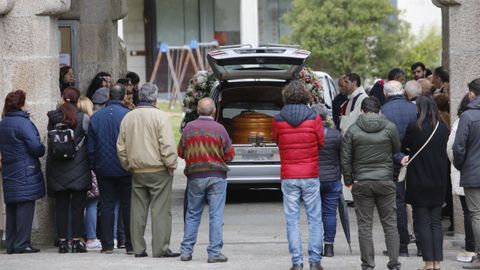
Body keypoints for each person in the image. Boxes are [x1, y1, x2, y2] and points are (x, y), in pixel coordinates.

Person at [116, 83, 179, 258]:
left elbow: (120, 146)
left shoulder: (128, 117)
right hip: (159, 169)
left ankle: (138, 248)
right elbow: (167, 145)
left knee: (137, 210)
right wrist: (171, 164)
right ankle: (160, 248)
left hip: (137, 170)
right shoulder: (160, 116)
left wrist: (128, 164)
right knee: (160, 210)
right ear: (155, 98)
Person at [341, 96, 401, 270]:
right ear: (379, 110)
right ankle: (394, 262)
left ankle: (368, 263)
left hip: (361, 181)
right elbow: (396, 149)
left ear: (362, 110)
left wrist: (349, 181)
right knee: (390, 223)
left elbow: (345, 159)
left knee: (364, 225)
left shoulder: (353, 130)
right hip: (385, 180)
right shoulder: (390, 127)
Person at [272, 81, 325, 270]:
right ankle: (315, 261)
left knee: (292, 220)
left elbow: (276, 140)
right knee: (315, 219)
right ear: (305, 96)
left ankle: (297, 262)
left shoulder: (278, 119)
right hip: (310, 173)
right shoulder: (315, 118)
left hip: (289, 174)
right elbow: (320, 142)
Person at [178, 97, 234, 263]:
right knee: (216, 215)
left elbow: (181, 152)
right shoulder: (220, 129)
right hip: (217, 177)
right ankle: (214, 252)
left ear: (197, 111)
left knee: (193, 214)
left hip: (195, 177)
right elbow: (229, 155)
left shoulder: (189, 128)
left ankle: (186, 251)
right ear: (214, 111)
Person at [403, 95, 449, 270]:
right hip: (439, 180)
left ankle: (428, 262)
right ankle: (437, 263)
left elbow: (405, 146)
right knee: (436, 222)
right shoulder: (443, 128)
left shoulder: (415, 127)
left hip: (419, 180)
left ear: (419, 108)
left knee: (422, 221)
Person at [88, 84, 133, 254]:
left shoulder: (96, 117)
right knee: (127, 205)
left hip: (103, 167)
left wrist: (94, 165)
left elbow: (91, 147)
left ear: (109, 96)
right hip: (125, 167)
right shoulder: (128, 116)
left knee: (106, 205)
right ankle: (130, 244)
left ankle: (107, 244)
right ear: (123, 97)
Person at [46, 87, 91, 253]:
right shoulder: (83, 118)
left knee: (61, 206)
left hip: (58, 168)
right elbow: (90, 140)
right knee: (78, 207)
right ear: (78, 100)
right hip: (79, 168)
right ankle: (77, 241)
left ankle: (63, 241)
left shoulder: (53, 118)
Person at [0, 90, 45, 254]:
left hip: (9, 169)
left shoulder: (3, 122)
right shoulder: (23, 123)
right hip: (25, 170)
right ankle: (22, 243)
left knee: (12, 207)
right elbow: (36, 147)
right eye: (25, 102)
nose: (28, 105)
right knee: (25, 206)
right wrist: (43, 147)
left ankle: (11, 244)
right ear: (20, 105)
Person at [380, 81, 417, 258]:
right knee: (419, 203)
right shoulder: (414, 108)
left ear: (386, 94)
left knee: (399, 204)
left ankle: (402, 246)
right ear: (402, 91)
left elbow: (383, 142)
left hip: (394, 162)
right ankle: (423, 247)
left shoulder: (384, 111)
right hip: (416, 160)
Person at [453, 78, 480, 270]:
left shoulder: (468, 116)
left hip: (473, 172)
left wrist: (461, 165)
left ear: (472, 93)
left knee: (476, 214)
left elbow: (458, 147)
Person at [447, 94, 476, 264]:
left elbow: (453, 149)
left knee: (470, 213)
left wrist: (460, 165)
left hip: (467, 173)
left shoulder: (462, 121)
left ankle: (471, 248)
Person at [311, 103, 342, 258]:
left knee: (315, 214)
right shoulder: (336, 134)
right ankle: (329, 247)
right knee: (330, 213)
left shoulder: (309, 134)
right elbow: (342, 157)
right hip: (333, 178)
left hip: (314, 178)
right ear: (325, 116)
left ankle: (316, 246)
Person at [77, 96, 102, 250]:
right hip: (89, 168)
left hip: (73, 170)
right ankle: (91, 237)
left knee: (77, 204)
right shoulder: (89, 122)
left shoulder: (72, 122)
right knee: (92, 203)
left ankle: (78, 236)